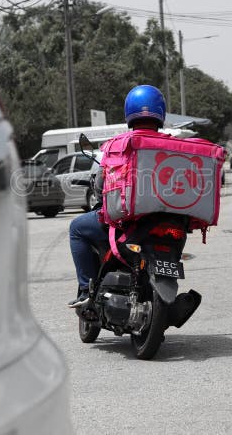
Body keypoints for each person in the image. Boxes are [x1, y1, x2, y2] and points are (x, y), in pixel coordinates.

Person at [67, 84, 168, 308]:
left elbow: (102, 182)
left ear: (129, 113)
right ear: (161, 113)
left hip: (127, 221)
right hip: (166, 219)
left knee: (76, 228)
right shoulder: (171, 146)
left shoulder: (118, 146)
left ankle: (86, 290)